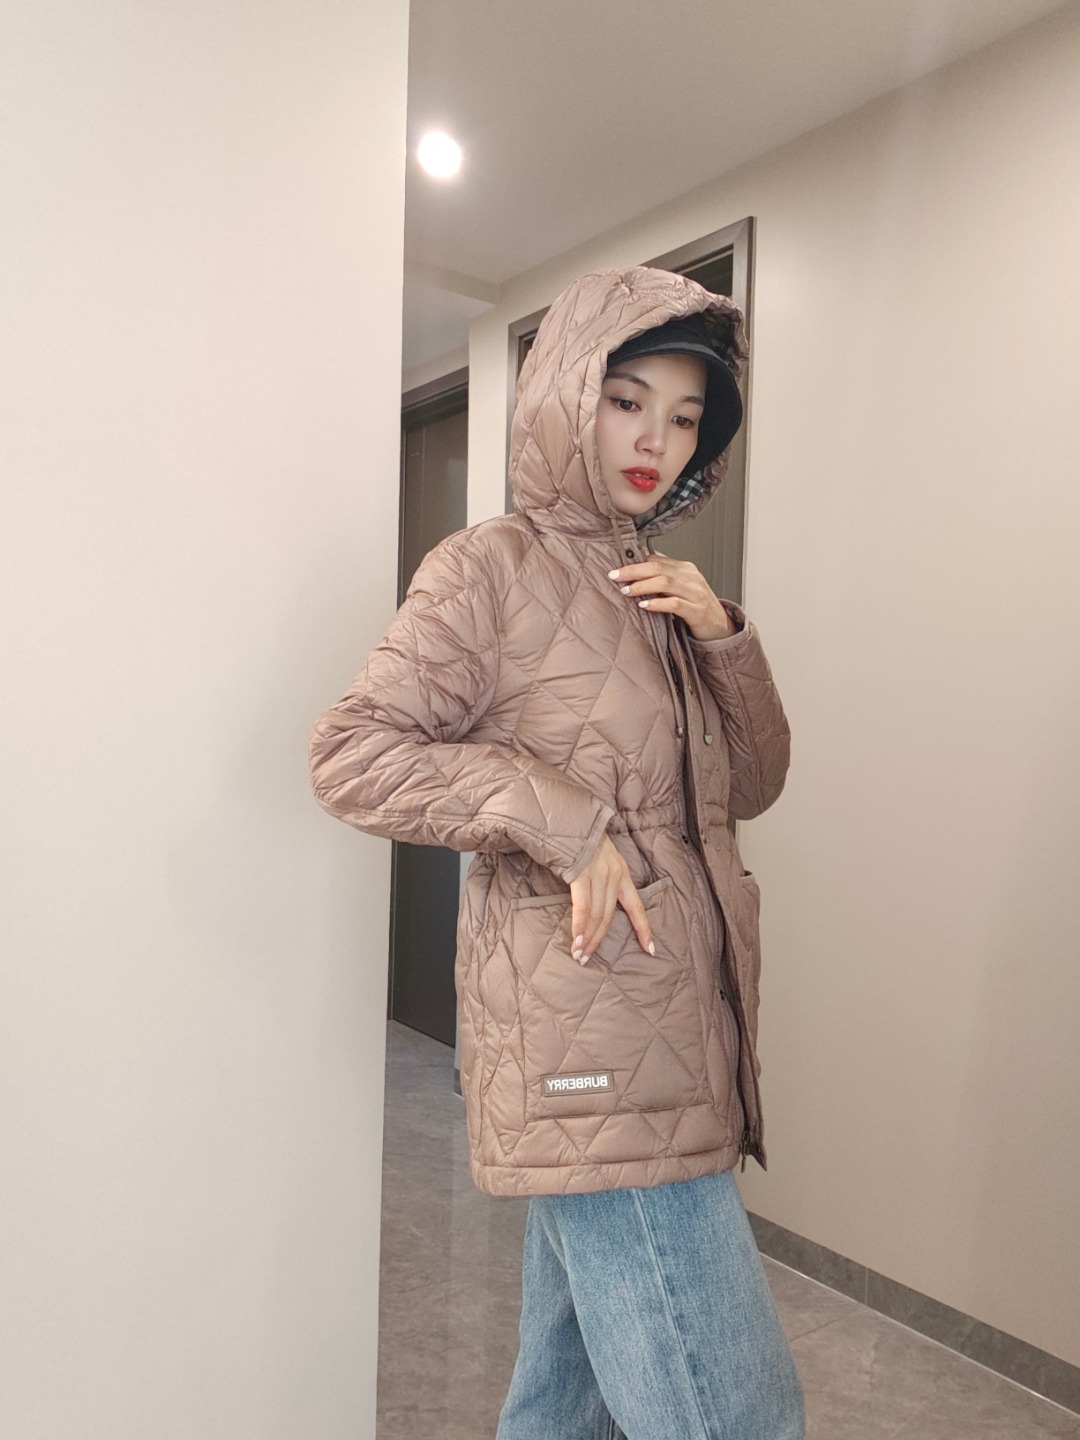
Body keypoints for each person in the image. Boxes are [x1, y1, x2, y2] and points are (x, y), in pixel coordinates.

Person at [309, 266, 805, 1439]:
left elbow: (753, 787)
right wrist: (561, 820)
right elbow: (352, 754)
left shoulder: (660, 593)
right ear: (567, 397)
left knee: (563, 1406)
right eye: (628, 401)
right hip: (596, 1043)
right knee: (740, 1415)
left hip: (676, 1036)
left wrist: (725, 639)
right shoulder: (489, 567)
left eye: (685, 416)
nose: (656, 440)